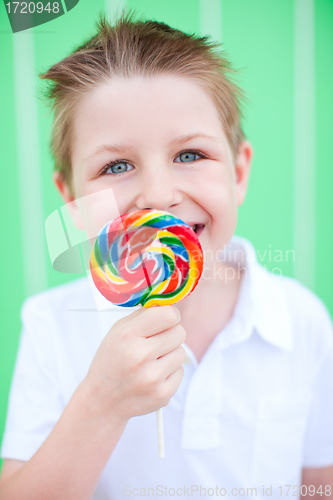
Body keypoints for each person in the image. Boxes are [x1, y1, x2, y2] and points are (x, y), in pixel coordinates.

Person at [0, 8, 333, 500]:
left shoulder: (300, 320)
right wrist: (101, 403)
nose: (158, 195)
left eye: (190, 155)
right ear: (73, 203)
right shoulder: (53, 326)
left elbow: (318, 487)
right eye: (116, 165)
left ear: (238, 174)